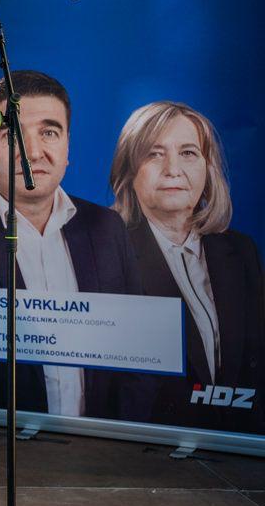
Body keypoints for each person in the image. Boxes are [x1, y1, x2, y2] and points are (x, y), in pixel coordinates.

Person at [0, 70, 145, 420]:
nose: (33, 152)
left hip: (99, 443)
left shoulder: (107, 228)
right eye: (11, 134)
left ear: (67, 148)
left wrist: (113, 437)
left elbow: (136, 347)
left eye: (49, 133)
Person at [111, 101, 264, 431]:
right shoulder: (109, 253)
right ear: (129, 172)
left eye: (188, 153)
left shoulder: (241, 252)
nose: (172, 169)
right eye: (154, 154)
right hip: (151, 448)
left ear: (208, 169)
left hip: (237, 447)